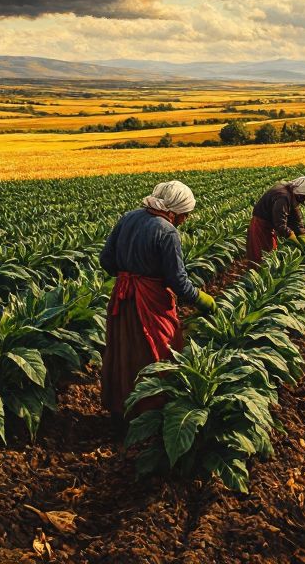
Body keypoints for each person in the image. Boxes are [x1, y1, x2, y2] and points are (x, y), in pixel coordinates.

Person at [100, 180, 216, 426]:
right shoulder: (167, 230)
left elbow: (106, 261)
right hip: (150, 301)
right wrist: (203, 300)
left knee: (123, 349)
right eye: (185, 215)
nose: (185, 220)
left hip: (123, 296)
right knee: (159, 350)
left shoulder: (129, 217)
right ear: (173, 210)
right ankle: (151, 412)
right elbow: (177, 281)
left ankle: (121, 409)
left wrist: (128, 275)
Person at [246, 176, 305, 263]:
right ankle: (258, 274)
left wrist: (302, 235)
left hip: (268, 224)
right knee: (262, 253)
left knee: (270, 252)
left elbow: (296, 219)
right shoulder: (283, 197)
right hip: (261, 224)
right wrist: (293, 238)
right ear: (301, 193)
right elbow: (280, 224)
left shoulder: (291, 192)